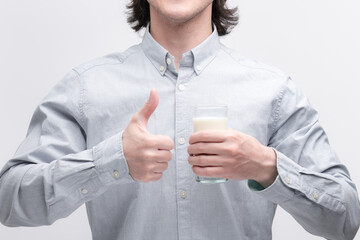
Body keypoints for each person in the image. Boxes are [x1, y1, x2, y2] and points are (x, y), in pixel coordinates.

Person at [0, 0, 359, 239]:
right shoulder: (86, 87)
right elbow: (10, 201)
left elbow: (345, 219)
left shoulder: (274, 91)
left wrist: (267, 167)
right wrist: (110, 161)